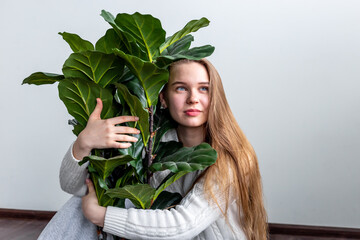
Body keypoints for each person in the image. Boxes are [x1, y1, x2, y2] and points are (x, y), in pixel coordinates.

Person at [39, 59, 268, 240]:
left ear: (216, 97)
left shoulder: (232, 157)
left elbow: (183, 225)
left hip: (181, 235)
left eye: (204, 89)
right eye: (181, 88)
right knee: (78, 205)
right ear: (163, 98)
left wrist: (101, 216)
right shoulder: (152, 143)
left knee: (91, 210)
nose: (193, 99)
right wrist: (84, 143)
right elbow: (75, 188)